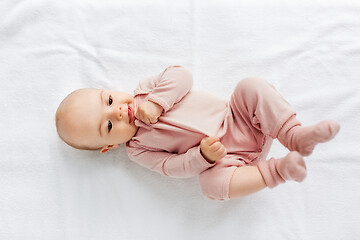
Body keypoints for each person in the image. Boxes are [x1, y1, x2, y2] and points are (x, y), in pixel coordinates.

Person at [55, 65, 340, 201]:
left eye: (108, 101)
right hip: (229, 160)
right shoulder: (137, 150)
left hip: (239, 117)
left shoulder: (146, 88)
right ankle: (278, 170)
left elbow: (181, 75)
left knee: (249, 87)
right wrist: (202, 156)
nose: (117, 111)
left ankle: (293, 134)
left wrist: (156, 103)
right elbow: (171, 167)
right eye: (107, 126)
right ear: (109, 147)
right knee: (211, 186)